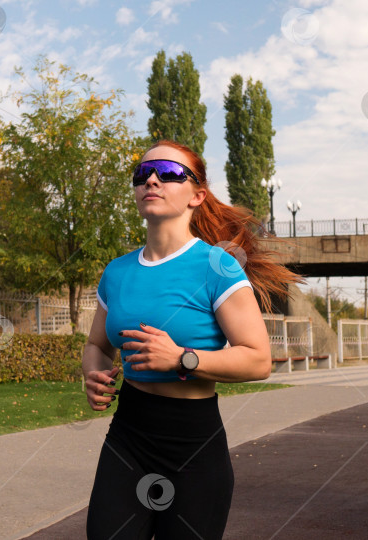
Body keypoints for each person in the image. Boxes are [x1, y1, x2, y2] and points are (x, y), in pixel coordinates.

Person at [83, 140, 303, 539]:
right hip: (128, 437)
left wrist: (182, 358)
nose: (151, 179)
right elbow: (97, 345)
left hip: (193, 447)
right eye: (142, 174)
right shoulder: (116, 272)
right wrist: (94, 374)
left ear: (197, 195)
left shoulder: (216, 266)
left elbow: (258, 360)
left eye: (168, 172)